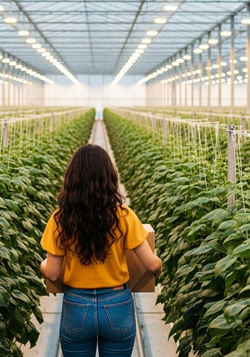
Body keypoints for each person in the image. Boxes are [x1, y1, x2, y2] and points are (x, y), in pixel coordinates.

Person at [40, 144, 162, 357]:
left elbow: (52, 273)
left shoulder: (60, 219)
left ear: (72, 179)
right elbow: (151, 264)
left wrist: (43, 264)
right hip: (117, 305)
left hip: (76, 306)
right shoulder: (123, 216)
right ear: (109, 178)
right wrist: (158, 266)